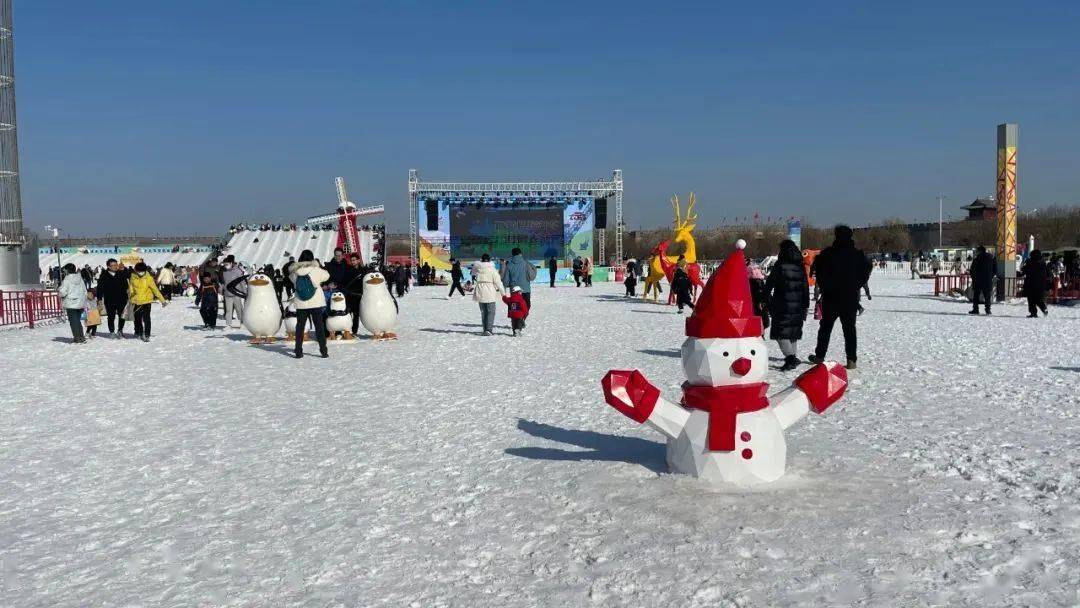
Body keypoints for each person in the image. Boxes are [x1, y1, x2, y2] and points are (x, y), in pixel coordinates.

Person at [808, 225, 872, 370]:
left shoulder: (827, 254)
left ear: (836, 236)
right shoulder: (857, 254)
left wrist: (825, 286)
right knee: (849, 329)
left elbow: (819, 271)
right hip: (850, 297)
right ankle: (851, 359)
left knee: (825, 327)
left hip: (831, 296)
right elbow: (867, 268)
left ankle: (819, 356)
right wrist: (857, 284)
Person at [765, 240, 810, 371]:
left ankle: (790, 358)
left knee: (781, 333)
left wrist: (766, 300)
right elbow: (805, 287)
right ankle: (793, 357)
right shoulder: (800, 266)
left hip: (782, 304)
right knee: (792, 333)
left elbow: (769, 285)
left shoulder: (779, 266)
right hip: (798, 305)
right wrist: (806, 304)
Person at [289, 250, 330, 358]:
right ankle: (323, 351)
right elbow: (327, 276)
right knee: (319, 327)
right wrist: (318, 266)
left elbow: (292, 281)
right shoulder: (316, 270)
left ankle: (298, 351)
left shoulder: (295, 272)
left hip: (301, 303)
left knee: (300, 327)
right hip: (315, 303)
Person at [127, 262, 168, 342]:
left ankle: (147, 334)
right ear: (136, 270)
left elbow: (155, 289)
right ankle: (139, 331)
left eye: (142, 271)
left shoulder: (148, 278)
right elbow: (131, 287)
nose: (140, 273)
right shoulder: (133, 277)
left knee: (146, 319)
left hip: (146, 301)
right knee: (137, 318)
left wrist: (162, 300)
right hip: (136, 301)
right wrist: (131, 293)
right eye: (139, 271)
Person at [96, 258, 130, 337]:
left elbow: (126, 285)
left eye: (116, 265)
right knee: (111, 316)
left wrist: (127, 293)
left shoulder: (121, 273)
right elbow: (100, 288)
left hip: (121, 299)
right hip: (109, 300)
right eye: (113, 265)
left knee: (122, 315)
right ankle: (112, 332)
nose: (115, 266)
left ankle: (120, 330)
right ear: (108, 266)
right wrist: (99, 299)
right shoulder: (104, 275)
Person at [473, 253, 505, 336]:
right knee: (491, 311)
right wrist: (503, 293)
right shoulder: (492, 269)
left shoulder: (477, 267)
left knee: (483, 312)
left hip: (480, 289)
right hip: (490, 290)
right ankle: (489, 329)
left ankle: (485, 329)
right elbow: (498, 282)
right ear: (490, 260)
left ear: (481, 259)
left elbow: (472, 273)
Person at [502, 248, 536, 323]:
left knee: (514, 308)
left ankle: (516, 324)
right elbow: (532, 277)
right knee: (526, 306)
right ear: (520, 254)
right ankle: (522, 319)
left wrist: (504, 287)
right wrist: (534, 269)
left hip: (514, 291)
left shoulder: (509, 265)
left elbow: (506, 280)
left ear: (512, 255)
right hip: (525, 289)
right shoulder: (526, 263)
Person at [59, 263, 87, 344]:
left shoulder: (67, 279)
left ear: (67, 270)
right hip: (80, 303)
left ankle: (77, 338)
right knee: (77, 321)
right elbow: (85, 290)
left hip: (71, 303)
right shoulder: (80, 278)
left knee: (73, 321)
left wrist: (59, 290)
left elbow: (63, 292)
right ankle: (81, 337)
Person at [1020, 250, 1049, 318]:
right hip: (1041, 284)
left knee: (1031, 299)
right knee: (1038, 298)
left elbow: (1024, 270)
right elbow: (1047, 273)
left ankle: (1033, 312)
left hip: (1030, 283)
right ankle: (1043, 308)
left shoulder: (1030, 262)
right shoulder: (1043, 263)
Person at [342, 253, 365, 336]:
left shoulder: (363, 270)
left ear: (358, 260)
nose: (353, 262)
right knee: (347, 313)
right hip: (350, 295)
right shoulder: (348, 270)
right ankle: (346, 330)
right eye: (351, 260)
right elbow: (344, 282)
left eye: (354, 260)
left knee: (356, 315)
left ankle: (354, 331)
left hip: (358, 296)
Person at [968, 245, 995, 315]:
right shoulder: (991, 258)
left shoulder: (977, 259)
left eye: (977, 251)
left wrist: (974, 277)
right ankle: (988, 310)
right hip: (987, 280)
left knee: (976, 295)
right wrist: (990, 276)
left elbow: (972, 269)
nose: (976, 252)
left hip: (978, 280)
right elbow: (995, 269)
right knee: (987, 296)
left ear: (980, 251)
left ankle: (975, 309)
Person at [220, 255, 246, 327]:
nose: (226, 266)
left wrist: (245, 292)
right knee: (228, 310)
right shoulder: (224, 272)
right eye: (224, 264)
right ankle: (228, 324)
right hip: (227, 294)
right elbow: (224, 283)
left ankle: (242, 322)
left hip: (236, 293)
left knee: (239, 309)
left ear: (231, 263)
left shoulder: (238, 271)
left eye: (227, 264)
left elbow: (242, 282)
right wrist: (222, 290)